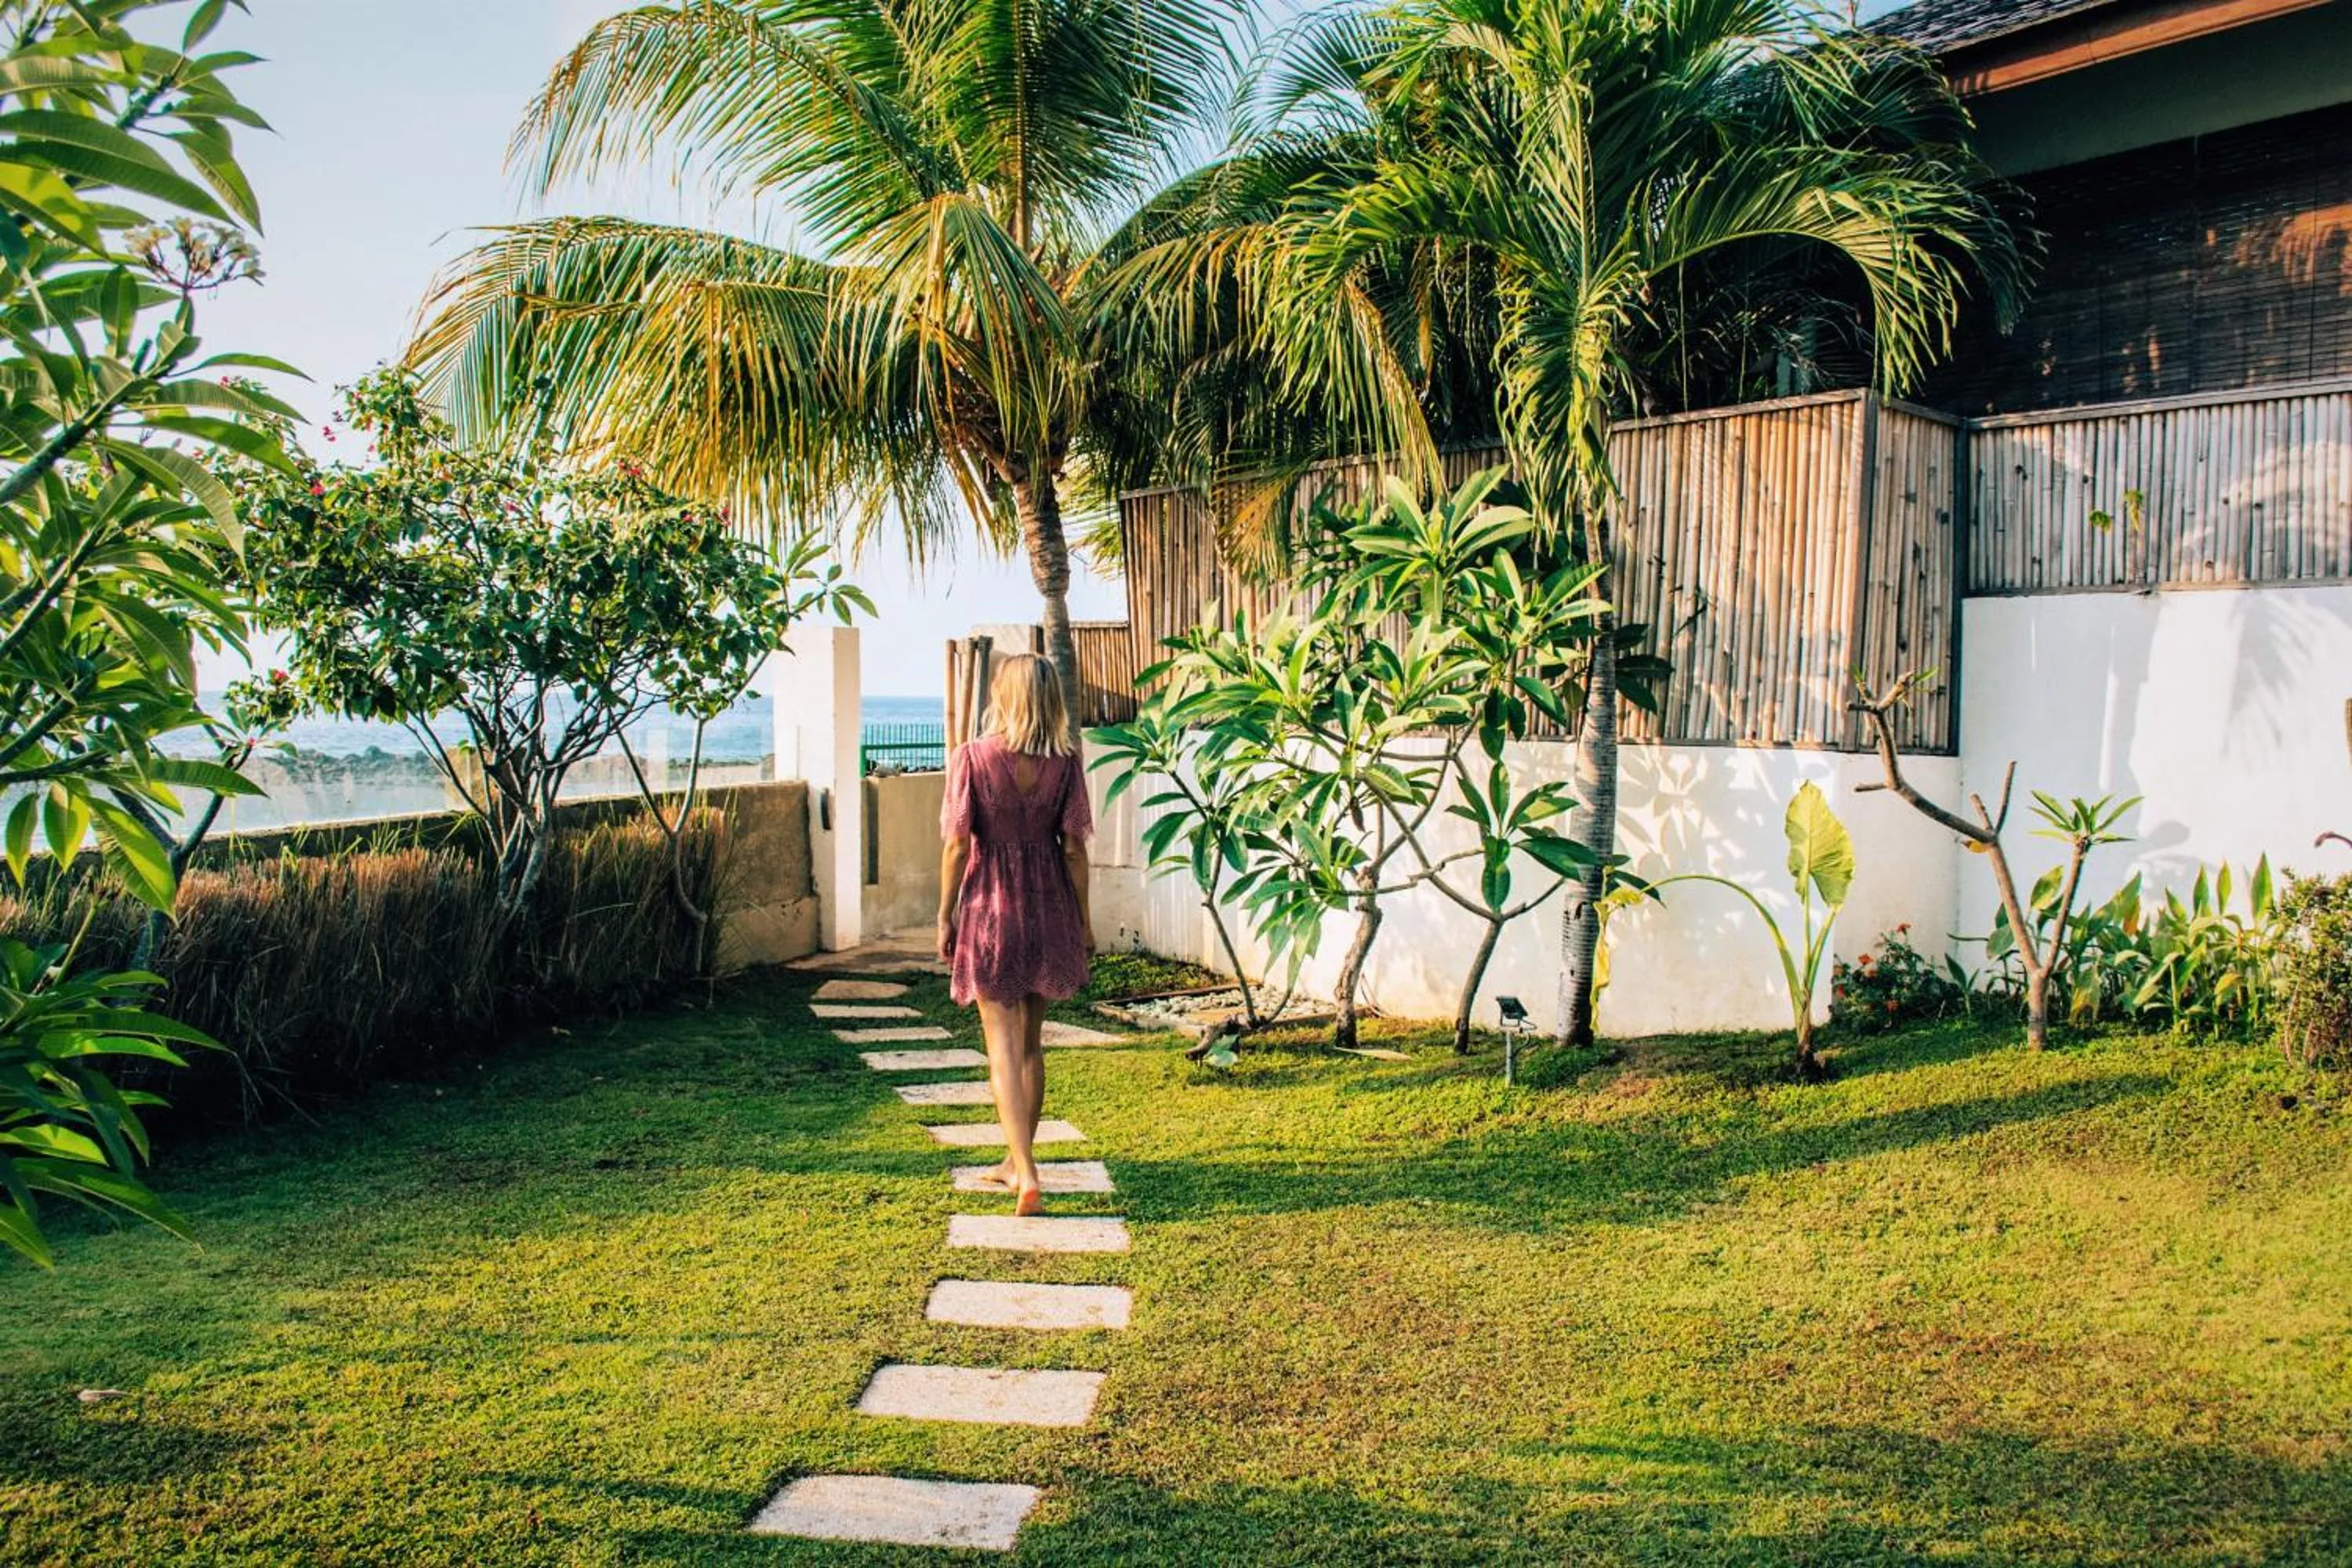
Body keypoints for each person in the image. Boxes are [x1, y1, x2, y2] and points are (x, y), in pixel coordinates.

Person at [936, 654, 1094, 1215]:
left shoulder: (972, 758)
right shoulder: (1066, 763)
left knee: (1000, 1046)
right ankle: (1016, 1161)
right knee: (1031, 1045)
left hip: (991, 909)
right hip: (1048, 904)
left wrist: (945, 914)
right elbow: (1074, 846)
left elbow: (957, 844)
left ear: (1004, 695)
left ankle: (1024, 1171)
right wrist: (1084, 918)